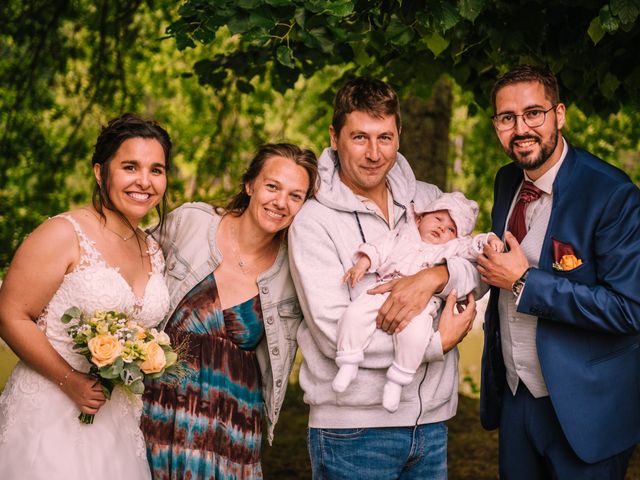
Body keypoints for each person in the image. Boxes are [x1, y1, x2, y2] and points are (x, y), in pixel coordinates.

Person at [288, 76, 480, 479]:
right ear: (334, 136)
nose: (374, 153)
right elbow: (331, 332)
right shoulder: (312, 220)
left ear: (399, 135)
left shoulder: (429, 200)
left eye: (385, 138)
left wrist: (435, 276)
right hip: (353, 431)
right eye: (360, 137)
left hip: (430, 424)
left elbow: (474, 269)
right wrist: (436, 343)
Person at [477, 64, 640, 479]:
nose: (521, 128)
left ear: (559, 114)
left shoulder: (612, 194)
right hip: (515, 400)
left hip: (586, 409)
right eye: (507, 118)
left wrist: (524, 281)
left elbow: (629, 309)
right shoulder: (506, 181)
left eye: (534, 113)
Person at [0, 113, 172, 479]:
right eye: (130, 166)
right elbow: (10, 314)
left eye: (156, 170)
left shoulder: (153, 248)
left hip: (117, 422)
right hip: (50, 413)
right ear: (100, 172)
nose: (144, 181)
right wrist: (69, 380)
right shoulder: (64, 233)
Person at [141, 143, 318, 480]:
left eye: (296, 196)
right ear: (250, 184)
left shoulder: (296, 269)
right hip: (159, 407)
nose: (281, 202)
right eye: (272, 186)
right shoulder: (190, 222)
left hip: (231, 425)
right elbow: (130, 266)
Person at [333, 192, 503, 412]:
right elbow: (378, 248)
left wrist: (490, 240)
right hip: (384, 287)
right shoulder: (403, 234)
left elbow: (473, 246)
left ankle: (398, 379)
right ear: (420, 218)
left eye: (452, 229)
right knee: (355, 314)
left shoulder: (450, 248)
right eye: (438, 219)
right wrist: (362, 264)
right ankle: (348, 360)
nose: (443, 228)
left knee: (415, 335)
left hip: (422, 305)